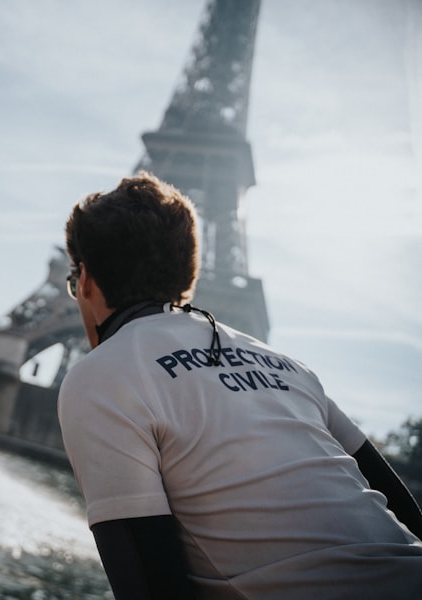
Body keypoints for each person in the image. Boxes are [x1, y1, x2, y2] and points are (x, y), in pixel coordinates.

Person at [58, 171, 422, 599]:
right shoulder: (292, 368)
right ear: (184, 277)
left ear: (84, 280)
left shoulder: (102, 374)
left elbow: (151, 586)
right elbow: (404, 511)